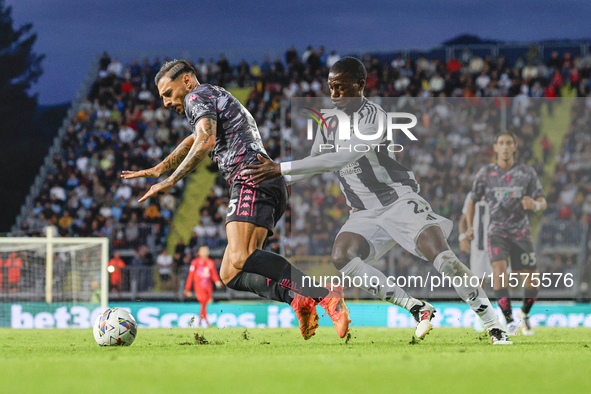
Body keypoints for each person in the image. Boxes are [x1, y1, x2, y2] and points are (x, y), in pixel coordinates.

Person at [243, 57, 512, 344]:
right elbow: (315, 161)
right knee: (342, 256)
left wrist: (281, 168)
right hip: (363, 212)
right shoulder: (327, 122)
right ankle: (417, 308)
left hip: (398, 200)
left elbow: (343, 157)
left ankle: (494, 324)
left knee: (445, 260)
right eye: (331, 87)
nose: (334, 94)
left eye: (341, 88)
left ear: (360, 86)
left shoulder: (375, 116)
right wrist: (277, 180)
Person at [120, 59, 349, 340]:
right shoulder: (209, 99)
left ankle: (325, 295)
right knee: (230, 273)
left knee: (242, 256)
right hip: (262, 180)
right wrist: (160, 168)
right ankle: (297, 300)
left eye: (168, 93)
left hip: (251, 177)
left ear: (188, 81)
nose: (166, 102)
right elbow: (195, 139)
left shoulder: (197, 96)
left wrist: (169, 181)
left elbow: (205, 141)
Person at [466, 131, 546, 336]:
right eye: (501, 143)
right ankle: (509, 321)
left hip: (521, 233)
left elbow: (542, 200)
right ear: (495, 147)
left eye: (509, 143)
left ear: (515, 147)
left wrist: (535, 204)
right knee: (499, 272)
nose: (505, 146)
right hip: (497, 232)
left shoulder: (527, 173)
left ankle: (524, 314)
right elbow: (472, 200)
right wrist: (469, 226)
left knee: (533, 282)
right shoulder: (485, 173)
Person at [459, 192, 493, 332]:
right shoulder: (473, 195)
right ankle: (482, 317)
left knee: (503, 280)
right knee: (479, 282)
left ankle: (505, 314)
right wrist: (462, 237)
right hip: (478, 245)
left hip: (497, 244)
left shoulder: (500, 191)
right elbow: (463, 219)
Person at [184, 246, 223, 327]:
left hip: (208, 286)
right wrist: (187, 288)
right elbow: (191, 275)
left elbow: (213, 273)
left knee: (205, 303)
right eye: (203, 251)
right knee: (203, 302)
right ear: (199, 252)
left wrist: (217, 281)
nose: (205, 252)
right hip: (199, 286)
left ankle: (202, 321)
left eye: (206, 251)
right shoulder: (195, 262)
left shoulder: (211, 262)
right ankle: (204, 322)